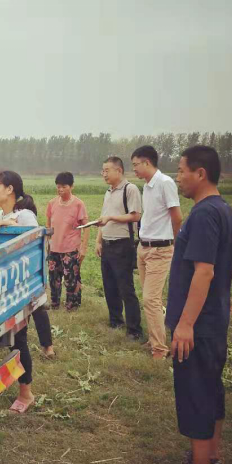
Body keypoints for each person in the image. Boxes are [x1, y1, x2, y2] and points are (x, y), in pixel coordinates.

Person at [160, 146, 232, 464]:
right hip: (213, 321)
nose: (178, 177)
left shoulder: (204, 214)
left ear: (200, 173)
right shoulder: (223, 209)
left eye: (181, 170)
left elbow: (204, 272)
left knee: (196, 395)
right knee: (211, 389)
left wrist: (186, 323)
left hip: (199, 325)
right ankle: (213, 458)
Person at [0, 170, 54, 413]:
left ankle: (26, 393)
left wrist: (7, 224)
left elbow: (34, 241)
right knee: (4, 339)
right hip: (3, 286)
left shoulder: (24, 214)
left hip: (22, 286)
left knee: (19, 339)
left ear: (10, 189)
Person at [131, 146, 183, 360]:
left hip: (160, 249)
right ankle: (155, 339)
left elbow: (177, 217)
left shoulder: (165, 183)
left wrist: (176, 245)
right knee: (151, 298)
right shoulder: (147, 186)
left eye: (136, 164)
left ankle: (160, 349)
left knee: (150, 299)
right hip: (144, 247)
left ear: (147, 162)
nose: (134, 169)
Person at [95, 156, 143, 340]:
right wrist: (98, 241)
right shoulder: (108, 192)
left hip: (122, 244)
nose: (104, 174)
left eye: (107, 170)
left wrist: (111, 218)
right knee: (109, 286)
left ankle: (134, 330)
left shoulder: (130, 189)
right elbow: (103, 217)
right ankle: (116, 321)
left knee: (126, 288)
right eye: (103, 171)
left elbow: (135, 215)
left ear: (119, 170)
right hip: (107, 243)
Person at [46, 172, 89, 311]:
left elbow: (86, 227)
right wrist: (47, 243)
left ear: (71, 186)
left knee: (71, 278)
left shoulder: (78, 204)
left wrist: (83, 247)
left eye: (64, 186)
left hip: (70, 248)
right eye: (58, 186)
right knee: (54, 279)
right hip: (54, 247)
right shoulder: (52, 203)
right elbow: (48, 225)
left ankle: (72, 305)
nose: (60, 189)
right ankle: (55, 303)